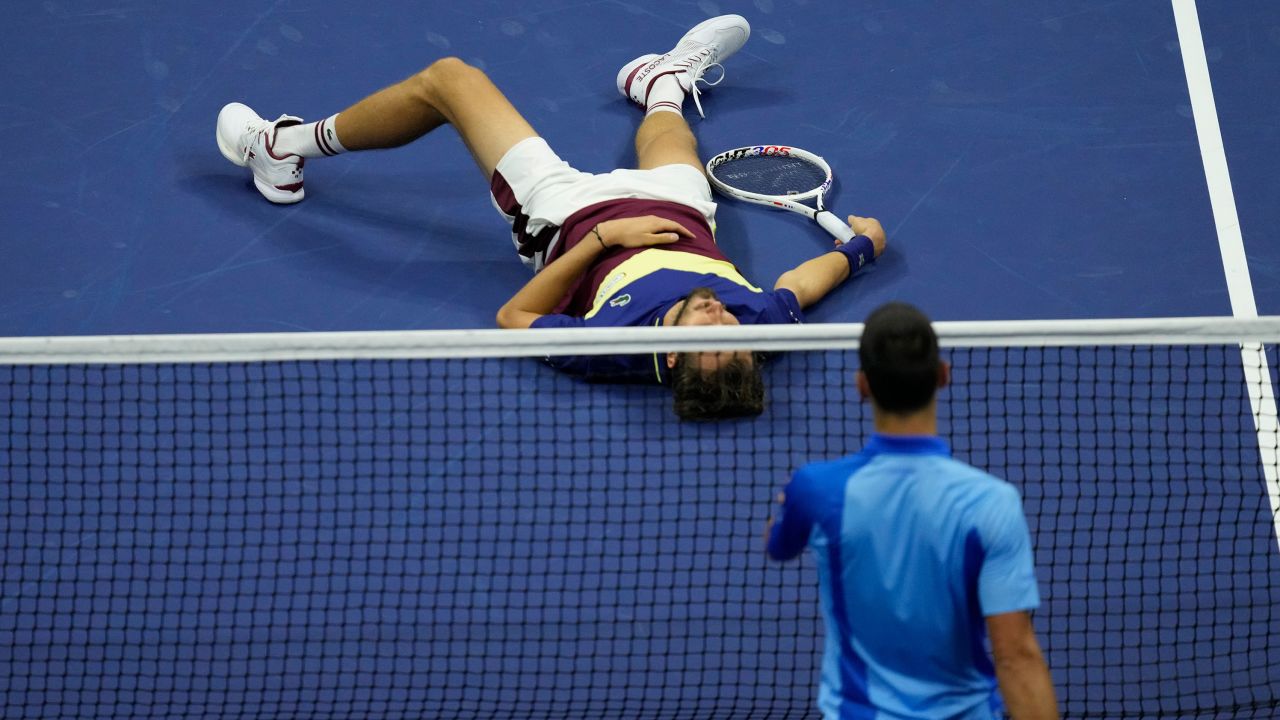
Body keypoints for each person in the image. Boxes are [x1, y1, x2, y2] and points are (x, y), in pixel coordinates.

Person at [215, 15, 886, 420]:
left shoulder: (609, 348)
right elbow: (804, 285)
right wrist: (861, 249)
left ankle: (281, 148)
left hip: (566, 216)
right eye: (734, 328)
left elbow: (513, 319)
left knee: (450, 79)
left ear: (674, 352)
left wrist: (601, 238)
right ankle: (662, 85)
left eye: (711, 329)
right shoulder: (751, 336)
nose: (724, 317)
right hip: (684, 215)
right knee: (670, 136)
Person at [765, 302, 1059, 719]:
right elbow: (1016, 657)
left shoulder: (816, 489)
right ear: (943, 375)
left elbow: (777, 546)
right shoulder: (993, 503)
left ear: (862, 384)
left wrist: (788, 505)